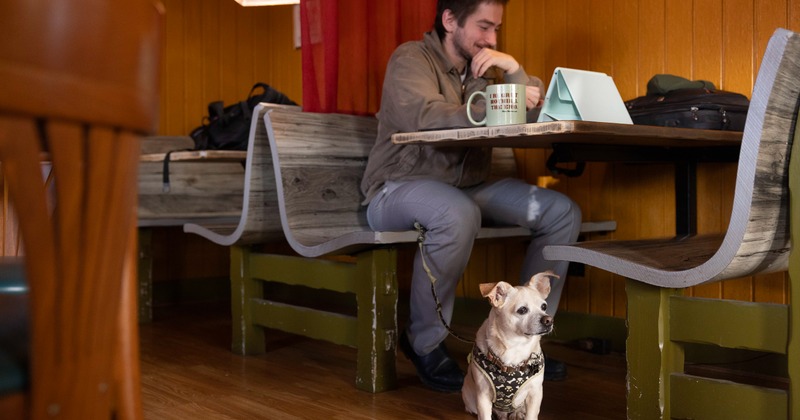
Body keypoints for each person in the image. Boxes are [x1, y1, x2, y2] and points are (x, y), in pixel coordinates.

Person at [360, 0, 582, 393]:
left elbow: (528, 118)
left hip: (467, 188)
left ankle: (525, 344)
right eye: (483, 26)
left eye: (496, 29)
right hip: (396, 188)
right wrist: (495, 104)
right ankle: (424, 342)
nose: (491, 38)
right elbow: (424, 117)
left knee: (561, 211)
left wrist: (513, 70)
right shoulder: (410, 59)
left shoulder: (481, 72)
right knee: (457, 213)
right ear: (449, 20)